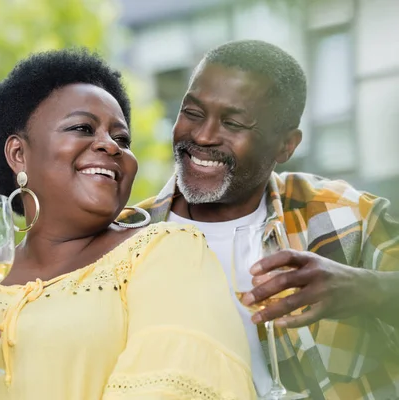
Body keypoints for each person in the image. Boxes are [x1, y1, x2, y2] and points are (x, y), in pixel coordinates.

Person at [0, 49, 256, 399]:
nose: (111, 146)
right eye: (82, 128)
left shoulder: (167, 251)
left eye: (122, 139)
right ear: (19, 154)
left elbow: (180, 385)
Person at [120, 39, 399, 399]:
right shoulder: (123, 238)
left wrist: (368, 290)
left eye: (233, 123)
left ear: (287, 146)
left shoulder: (345, 216)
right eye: (192, 113)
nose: (202, 136)